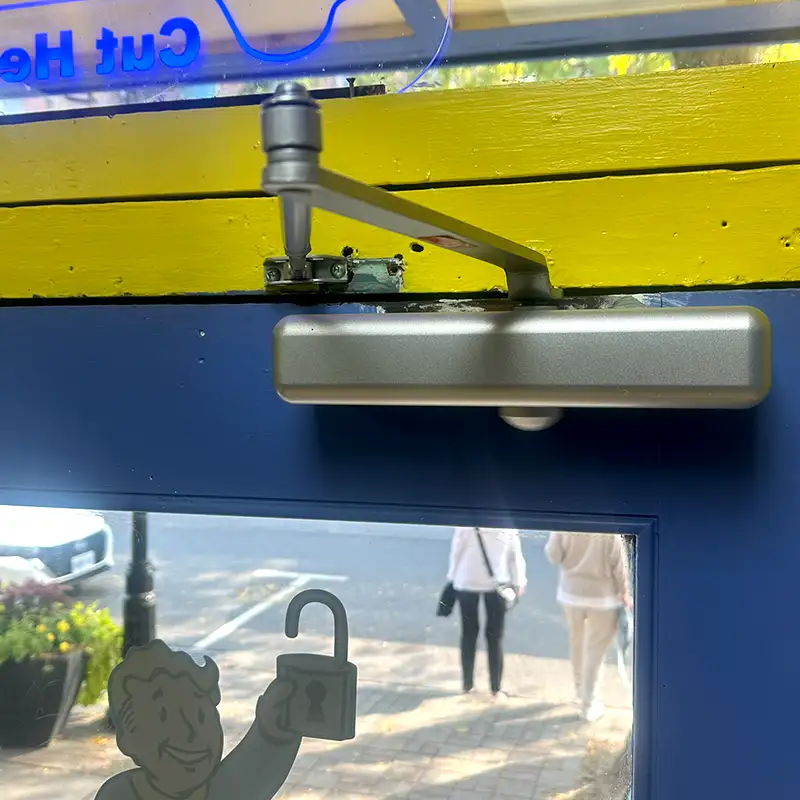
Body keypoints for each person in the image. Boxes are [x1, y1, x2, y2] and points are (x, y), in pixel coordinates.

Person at [95, 639, 302, 800]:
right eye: (165, 718)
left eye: (201, 716)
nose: (190, 733)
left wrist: (271, 730)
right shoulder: (119, 795)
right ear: (129, 739)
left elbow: (251, 775)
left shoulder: (221, 790)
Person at [545, 532, 632, 722]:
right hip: (603, 597)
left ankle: (579, 689)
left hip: (570, 594)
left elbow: (553, 555)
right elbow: (619, 566)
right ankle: (588, 703)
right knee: (595, 652)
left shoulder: (564, 523)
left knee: (576, 643)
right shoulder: (609, 527)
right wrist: (625, 593)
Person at [447, 526, 527, 699]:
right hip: (498, 584)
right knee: (495, 637)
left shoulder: (466, 522)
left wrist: (452, 578)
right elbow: (515, 555)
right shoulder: (507, 522)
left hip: (466, 581)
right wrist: (519, 581)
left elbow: (456, 550)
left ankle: (467, 685)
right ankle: (496, 689)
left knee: (468, 634)